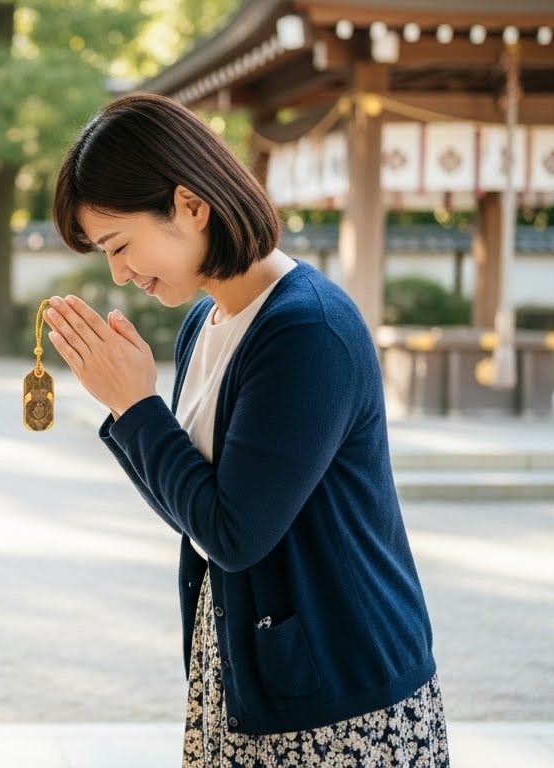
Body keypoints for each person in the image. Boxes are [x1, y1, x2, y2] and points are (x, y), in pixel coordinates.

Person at [42, 93, 449, 767]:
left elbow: (235, 533)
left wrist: (136, 408)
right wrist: (129, 408)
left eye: (119, 245)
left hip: (342, 696)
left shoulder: (304, 330)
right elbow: (195, 511)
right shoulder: (204, 324)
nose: (118, 273)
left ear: (189, 206)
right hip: (249, 673)